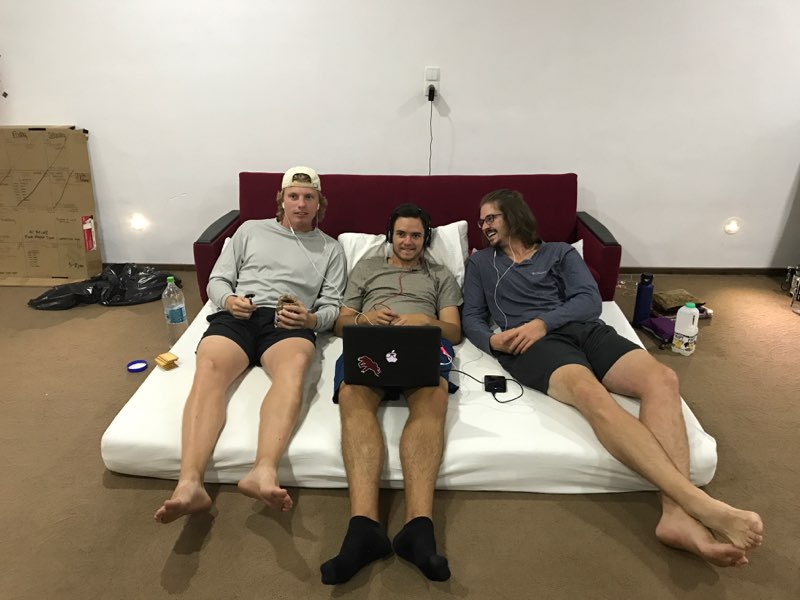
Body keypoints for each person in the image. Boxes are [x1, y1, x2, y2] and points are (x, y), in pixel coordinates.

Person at [462, 189, 764, 567]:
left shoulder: (560, 253)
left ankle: (676, 516)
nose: (484, 226)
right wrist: (493, 341)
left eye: (491, 217)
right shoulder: (481, 264)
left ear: (513, 215)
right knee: (590, 394)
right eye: (481, 221)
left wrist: (544, 322)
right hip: (530, 345)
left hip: (584, 330)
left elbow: (589, 301)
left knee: (663, 379)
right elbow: (470, 317)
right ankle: (699, 504)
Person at [154, 166, 346, 523]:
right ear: (281, 200)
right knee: (208, 368)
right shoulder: (250, 230)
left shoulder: (331, 249)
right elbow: (217, 280)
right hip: (241, 313)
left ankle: (263, 471)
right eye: (293, 196)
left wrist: (309, 320)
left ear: (320, 203)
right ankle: (189, 483)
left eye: (309, 197)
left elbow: (333, 307)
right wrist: (229, 301)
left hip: (288, 322)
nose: (301, 204)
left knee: (295, 370)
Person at [320, 204, 462, 585]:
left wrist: (425, 320)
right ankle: (364, 527)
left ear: (425, 239)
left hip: (423, 343)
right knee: (351, 394)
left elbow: (454, 331)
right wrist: (365, 318)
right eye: (401, 234)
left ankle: (418, 527)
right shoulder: (366, 269)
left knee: (435, 395)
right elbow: (341, 323)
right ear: (390, 236)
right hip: (371, 342)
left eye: (416, 235)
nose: (408, 241)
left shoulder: (441, 275)